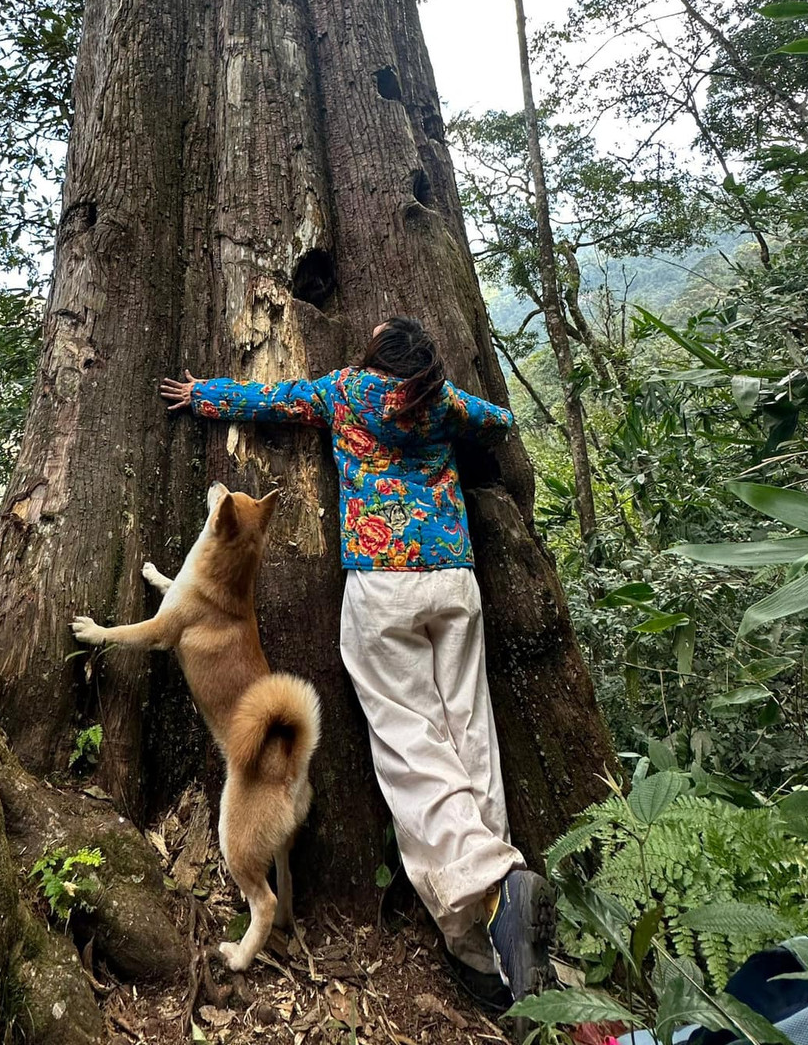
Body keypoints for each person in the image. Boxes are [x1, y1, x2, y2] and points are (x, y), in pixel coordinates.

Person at [160, 316, 554, 1012]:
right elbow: (500, 418)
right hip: (455, 583)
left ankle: (491, 881)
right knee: (471, 738)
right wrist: (450, 404)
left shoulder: (345, 391)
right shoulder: (442, 402)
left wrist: (201, 395)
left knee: (412, 746)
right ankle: (483, 941)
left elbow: (270, 400)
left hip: (384, 584)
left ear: (375, 353)